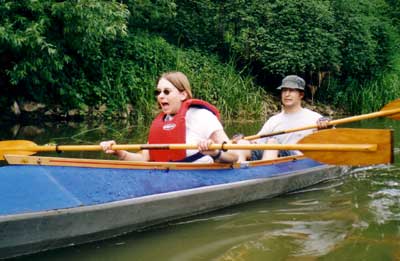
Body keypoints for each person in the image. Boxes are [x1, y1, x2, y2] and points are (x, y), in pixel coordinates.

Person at [100, 71, 238, 163]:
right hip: (169, 177)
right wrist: (120, 153)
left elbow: (234, 156)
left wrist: (215, 153)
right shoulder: (162, 122)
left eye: (167, 91)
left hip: (201, 177)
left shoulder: (202, 116)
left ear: (183, 95)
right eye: (158, 92)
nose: (160, 96)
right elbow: (144, 157)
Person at [234, 75, 329, 162]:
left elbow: (331, 138)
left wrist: (326, 127)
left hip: (296, 160)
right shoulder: (273, 120)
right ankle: (238, 172)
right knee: (242, 143)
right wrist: (243, 139)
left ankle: (264, 175)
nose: (287, 94)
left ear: (301, 95)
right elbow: (257, 142)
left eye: (291, 90)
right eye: (284, 90)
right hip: (273, 156)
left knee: (272, 142)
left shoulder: (315, 118)